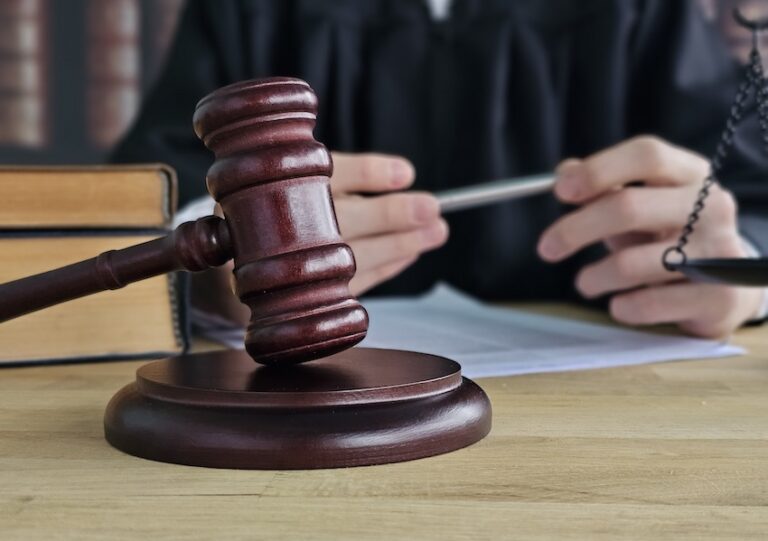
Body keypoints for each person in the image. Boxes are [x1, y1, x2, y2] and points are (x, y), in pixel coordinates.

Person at [113, 0, 768, 337]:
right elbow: (139, 201)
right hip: (299, 404)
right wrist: (213, 260)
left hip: (613, 401)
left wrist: (738, 268)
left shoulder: (643, 9)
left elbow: (748, 201)